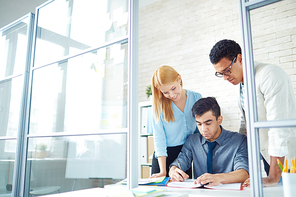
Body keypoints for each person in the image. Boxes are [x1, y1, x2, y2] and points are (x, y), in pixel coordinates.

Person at [209, 39, 296, 187]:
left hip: (289, 158)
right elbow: (246, 124)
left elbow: (278, 127)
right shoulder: (240, 83)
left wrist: (273, 176)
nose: (225, 77)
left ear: (240, 58)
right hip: (270, 157)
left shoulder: (270, 75)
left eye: (227, 71)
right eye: (220, 74)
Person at [169, 97, 249, 186]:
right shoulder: (192, 141)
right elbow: (179, 163)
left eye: (208, 123)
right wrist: (173, 171)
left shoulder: (239, 140)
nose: (203, 130)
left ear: (219, 120)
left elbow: (244, 173)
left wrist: (218, 178)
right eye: (199, 124)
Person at [150, 65, 202, 178]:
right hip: (163, 158)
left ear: (179, 79)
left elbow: (199, 130)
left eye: (173, 88)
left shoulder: (196, 98)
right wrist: (163, 171)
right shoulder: (159, 105)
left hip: (184, 156)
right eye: (166, 92)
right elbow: (159, 138)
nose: (172, 95)